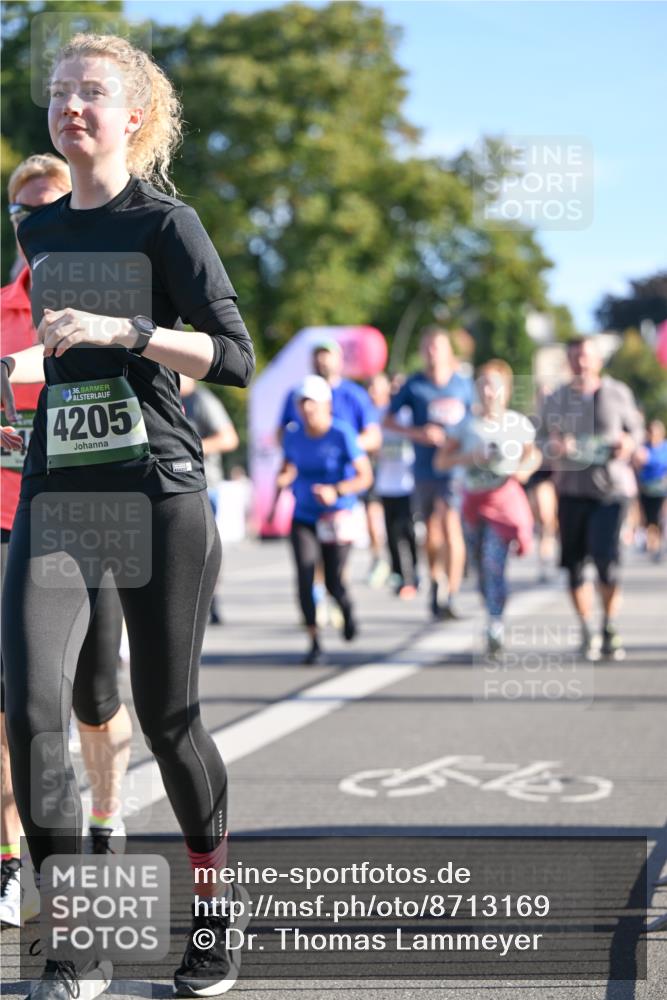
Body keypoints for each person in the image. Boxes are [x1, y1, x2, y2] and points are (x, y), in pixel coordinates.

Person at [0, 33, 254, 999]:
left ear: (134, 116)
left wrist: (130, 329)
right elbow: (62, 361)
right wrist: (18, 372)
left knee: (167, 714)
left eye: (90, 93)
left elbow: (233, 356)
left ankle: (213, 910)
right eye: (59, 91)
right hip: (62, 490)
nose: (69, 106)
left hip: (158, 491)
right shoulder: (41, 230)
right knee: (30, 713)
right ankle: (78, 942)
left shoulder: (167, 225)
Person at [1, 154, 134, 930]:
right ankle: (14, 863)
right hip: (8, 518)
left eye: (52, 208)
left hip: (94, 522)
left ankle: (108, 823)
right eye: (24, 215)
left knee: (94, 698)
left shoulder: (108, 305)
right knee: (14, 701)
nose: (37, 225)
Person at [540, 336, 644, 661]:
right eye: (574, 358)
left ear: (598, 360)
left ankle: (609, 625)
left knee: (606, 564)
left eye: (585, 357)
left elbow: (637, 431)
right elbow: (540, 440)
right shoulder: (557, 398)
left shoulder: (617, 393)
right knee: (574, 568)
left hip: (609, 493)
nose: (580, 363)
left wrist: (628, 444)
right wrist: (554, 447)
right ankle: (587, 629)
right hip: (571, 491)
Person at [435, 360, 538, 653]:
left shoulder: (518, 424)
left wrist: (524, 470)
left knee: (494, 563)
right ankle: (491, 605)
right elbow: (440, 461)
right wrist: (469, 458)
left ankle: (495, 621)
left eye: (494, 385)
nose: (489, 391)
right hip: (473, 503)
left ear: (506, 390)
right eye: (483, 385)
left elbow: (534, 455)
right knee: (479, 567)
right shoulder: (465, 426)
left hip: (503, 501)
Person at [271, 375, 373, 665]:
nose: (306, 410)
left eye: (312, 404)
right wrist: (281, 484)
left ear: (326, 405)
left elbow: (366, 476)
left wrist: (337, 490)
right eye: (302, 404)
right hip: (303, 514)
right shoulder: (293, 435)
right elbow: (287, 466)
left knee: (332, 581)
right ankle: (314, 640)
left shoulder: (342, 434)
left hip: (337, 515)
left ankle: (347, 608)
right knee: (304, 575)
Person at [278, 339, 381, 619]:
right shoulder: (295, 396)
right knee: (307, 564)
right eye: (317, 357)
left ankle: (339, 593)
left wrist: (339, 445)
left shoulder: (353, 397)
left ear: (338, 360)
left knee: (335, 567)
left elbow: (374, 437)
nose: (322, 362)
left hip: (340, 498)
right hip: (307, 502)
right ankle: (316, 604)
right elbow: (284, 439)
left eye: (327, 357)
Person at [384, 327, 473, 620]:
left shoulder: (463, 385)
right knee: (432, 533)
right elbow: (387, 420)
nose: (433, 353)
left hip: (456, 468)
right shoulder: (414, 385)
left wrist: (462, 443)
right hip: (424, 469)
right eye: (428, 347)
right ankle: (436, 582)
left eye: (438, 347)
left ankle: (453, 593)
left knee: (451, 527)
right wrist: (418, 433)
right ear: (423, 352)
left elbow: (477, 423)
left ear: (449, 352)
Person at [180, 375, 240, 623]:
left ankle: (210, 598)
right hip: (174, 485)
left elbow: (229, 438)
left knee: (202, 548)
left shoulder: (202, 400)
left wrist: (186, 447)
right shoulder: (163, 398)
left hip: (205, 484)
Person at [367, 373, 418, 598]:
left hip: (408, 483)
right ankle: (400, 576)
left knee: (408, 531)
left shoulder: (406, 415)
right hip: (386, 484)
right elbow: (372, 449)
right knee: (392, 533)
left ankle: (414, 572)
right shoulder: (376, 416)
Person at [634, 419, 667, 561]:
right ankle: (652, 544)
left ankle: (657, 544)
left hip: (661, 489)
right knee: (648, 518)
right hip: (646, 488)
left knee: (659, 516)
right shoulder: (644, 448)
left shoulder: (665, 448)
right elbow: (636, 465)